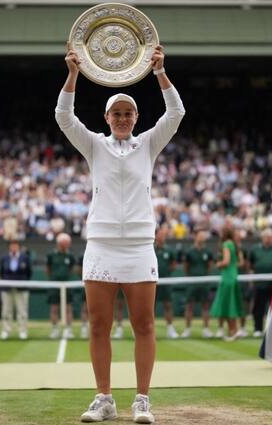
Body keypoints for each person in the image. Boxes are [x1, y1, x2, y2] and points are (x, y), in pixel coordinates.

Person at [56, 41, 184, 424]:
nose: (124, 118)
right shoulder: (94, 145)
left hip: (140, 245)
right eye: (117, 113)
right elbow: (64, 116)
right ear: (107, 118)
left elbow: (176, 111)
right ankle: (104, 398)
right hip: (101, 244)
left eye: (129, 113)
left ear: (137, 117)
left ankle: (142, 400)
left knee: (144, 324)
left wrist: (160, 71)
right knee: (99, 325)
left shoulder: (149, 143)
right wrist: (74, 73)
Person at [248, 228, 272, 337]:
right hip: (260, 284)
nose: (269, 239)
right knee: (258, 307)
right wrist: (252, 279)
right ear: (263, 238)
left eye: (271, 237)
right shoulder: (255, 249)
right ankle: (258, 329)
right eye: (267, 237)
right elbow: (250, 265)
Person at [209, 226, 244, 341]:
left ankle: (234, 331)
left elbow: (226, 261)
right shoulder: (234, 245)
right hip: (233, 276)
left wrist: (218, 264)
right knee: (230, 305)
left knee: (229, 306)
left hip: (227, 278)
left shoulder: (226, 245)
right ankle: (233, 330)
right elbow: (240, 262)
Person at [182, 231, 214, 339]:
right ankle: (187, 329)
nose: (202, 238)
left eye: (203, 237)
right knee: (189, 306)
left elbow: (210, 266)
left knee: (205, 306)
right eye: (200, 236)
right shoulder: (189, 251)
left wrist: (203, 275)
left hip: (204, 283)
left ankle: (206, 329)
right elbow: (185, 267)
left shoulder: (208, 252)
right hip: (192, 283)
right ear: (196, 237)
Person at [0, 239, 32, 340]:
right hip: (6, 289)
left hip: (21, 289)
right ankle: (5, 330)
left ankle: (22, 331)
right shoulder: (4, 258)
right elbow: (1, 273)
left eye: (15, 246)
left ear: (19, 247)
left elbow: (29, 272)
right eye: (12, 246)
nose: (13, 248)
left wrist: (21, 283)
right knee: (6, 311)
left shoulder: (25, 258)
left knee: (22, 311)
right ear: (9, 247)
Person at [47, 233, 77, 339]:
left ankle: (69, 329)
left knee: (68, 308)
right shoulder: (51, 255)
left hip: (67, 285)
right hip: (54, 285)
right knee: (54, 308)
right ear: (60, 243)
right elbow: (48, 270)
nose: (68, 245)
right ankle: (54, 329)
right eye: (66, 243)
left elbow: (72, 269)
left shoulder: (70, 256)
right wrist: (55, 278)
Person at [154, 226, 179, 339]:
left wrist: (166, 272)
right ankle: (150, 330)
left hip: (166, 281)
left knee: (168, 305)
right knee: (150, 307)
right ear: (155, 236)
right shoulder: (151, 249)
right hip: (152, 282)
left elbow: (174, 265)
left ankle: (170, 329)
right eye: (160, 235)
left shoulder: (169, 250)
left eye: (164, 235)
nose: (162, 237)